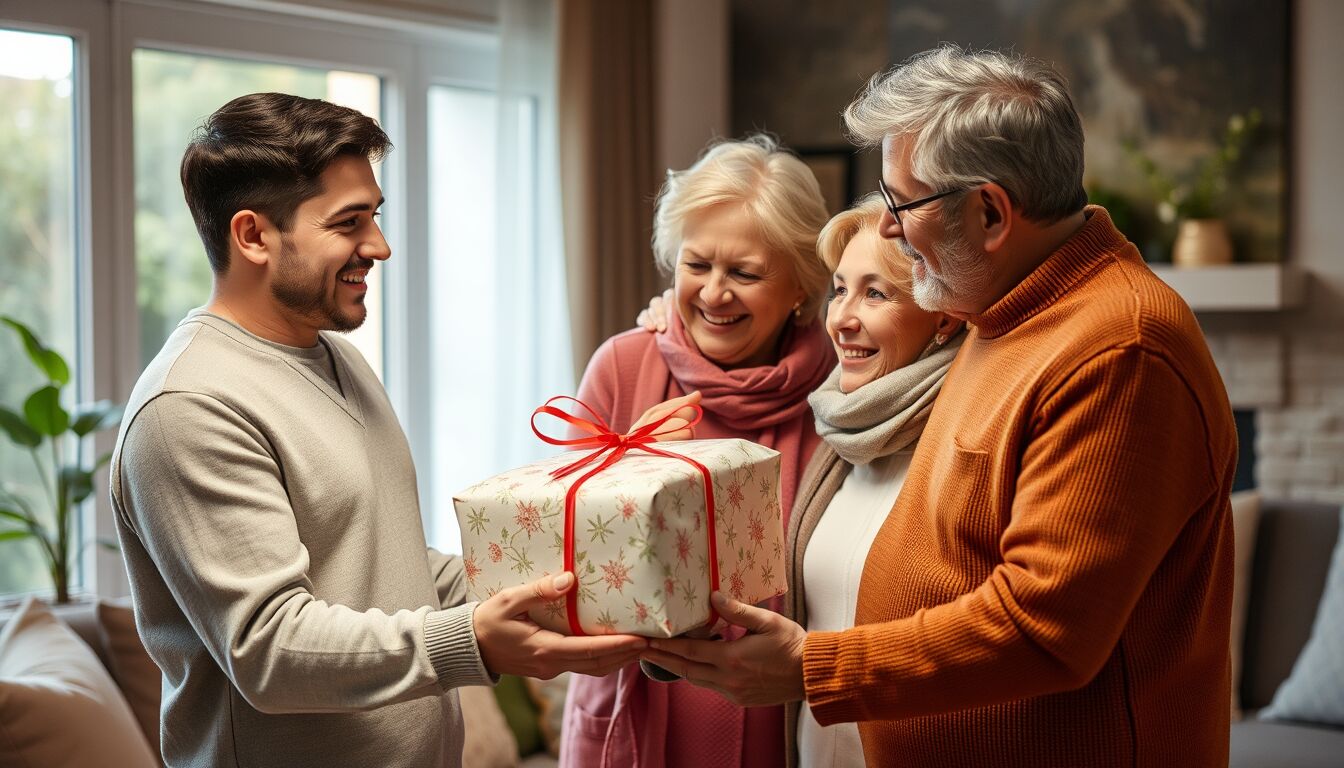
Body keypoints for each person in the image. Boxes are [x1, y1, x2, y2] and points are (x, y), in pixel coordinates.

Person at [641, 45, 1238, 767]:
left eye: (903, 203)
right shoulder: (996, 310)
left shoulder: (1121, 350)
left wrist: (814, 669)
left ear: (989, 212)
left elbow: (1043, 628)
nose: (886, 228)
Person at [108, 93, 645, 768]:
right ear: (253, 236)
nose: (380, 246)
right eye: (348, 223)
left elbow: (392, 570)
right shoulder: (188, 406)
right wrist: (472, 641)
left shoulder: (339, 357)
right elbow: (270, 648)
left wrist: (575, 580)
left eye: (375, 217)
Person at [560, 134, 834, 768]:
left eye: (744, 272)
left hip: (782, 716)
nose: (713, 294)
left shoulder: (842, 394)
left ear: (800, 286)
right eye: (696, 264)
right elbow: (568, 548)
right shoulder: (624, 367)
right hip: (639, 709)